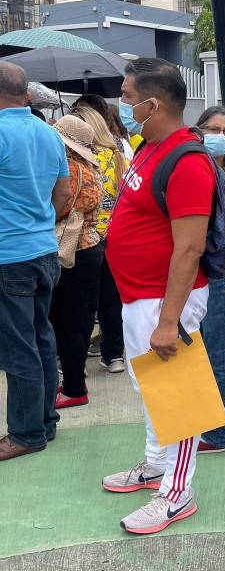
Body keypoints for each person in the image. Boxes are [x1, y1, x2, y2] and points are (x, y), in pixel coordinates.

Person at [102, 58, 216, 533]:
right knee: (150, 388)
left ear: (153, 104)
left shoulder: (186, 160)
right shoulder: (148, 146)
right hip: (139, 295)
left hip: (164, 299)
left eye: (128, 98)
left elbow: (188, 249)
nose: (122, 106)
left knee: (176, 392)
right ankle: (155, 463)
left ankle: (177, 491)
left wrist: (169, 321)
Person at [0, 61, 70, 461]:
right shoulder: (48, 133)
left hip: (9, 254)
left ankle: (26, 432)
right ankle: (44, 421)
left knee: (18, 345)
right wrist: (39, 220)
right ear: (24, 92)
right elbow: (62, 193)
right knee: (42, 336)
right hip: (44, 249)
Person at [192, 105, 225, 454]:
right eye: (214, 129)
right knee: (211, 347)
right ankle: (219, 421)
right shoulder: (203, 167)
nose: (221, 137)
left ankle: (217, 431)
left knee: (218, 349)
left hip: (216, 270)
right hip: (206, 272)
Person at [49, 116, 103, 409]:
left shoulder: (68, 169)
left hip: (70, 251)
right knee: (80, 320)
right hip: (90, 247)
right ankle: (74, 378)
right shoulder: (90, 168)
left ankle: (73, 387)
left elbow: (59, 208)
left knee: (65, 322)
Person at [70, 105, 128, 374]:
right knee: (111, 301)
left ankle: (75, 362)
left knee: (83, 305)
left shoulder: (79, 157)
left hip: (85, 238)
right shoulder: (117, 155)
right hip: (116, 236)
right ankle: (114, 354)